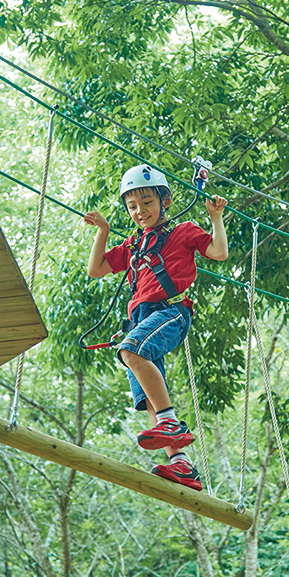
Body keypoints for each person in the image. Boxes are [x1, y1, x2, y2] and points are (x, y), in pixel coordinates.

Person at [83, 164, 228, 491]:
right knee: (150, 398)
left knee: (130, 351)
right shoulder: (135, 244)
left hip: (171, 310)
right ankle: (181, 464)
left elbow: (218, 252)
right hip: (142, 319)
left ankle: (171, 425)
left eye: (146, 202)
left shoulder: (184, 231)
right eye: (132, 206)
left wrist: (215, 218)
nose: (139, 211)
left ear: (165, 201)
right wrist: (103, 231)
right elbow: (96, 269)